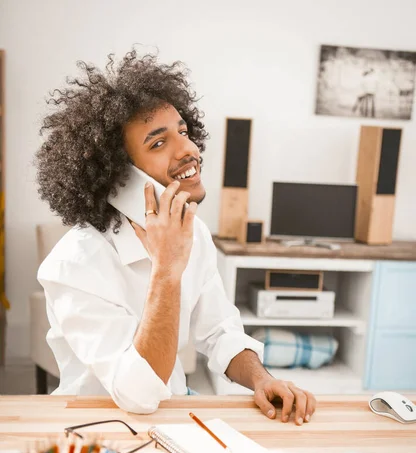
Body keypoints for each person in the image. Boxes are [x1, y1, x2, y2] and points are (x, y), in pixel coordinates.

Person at [36, 50, 316, 425]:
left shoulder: (193, 231)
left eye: (183, 132)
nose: (189, 150)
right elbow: (137, 394)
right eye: (158, 143)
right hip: (100, 425)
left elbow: (218, 330)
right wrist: (167, 268)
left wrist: (261, 379)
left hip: (173, 413)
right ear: (118, 178)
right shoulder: (73, 266)